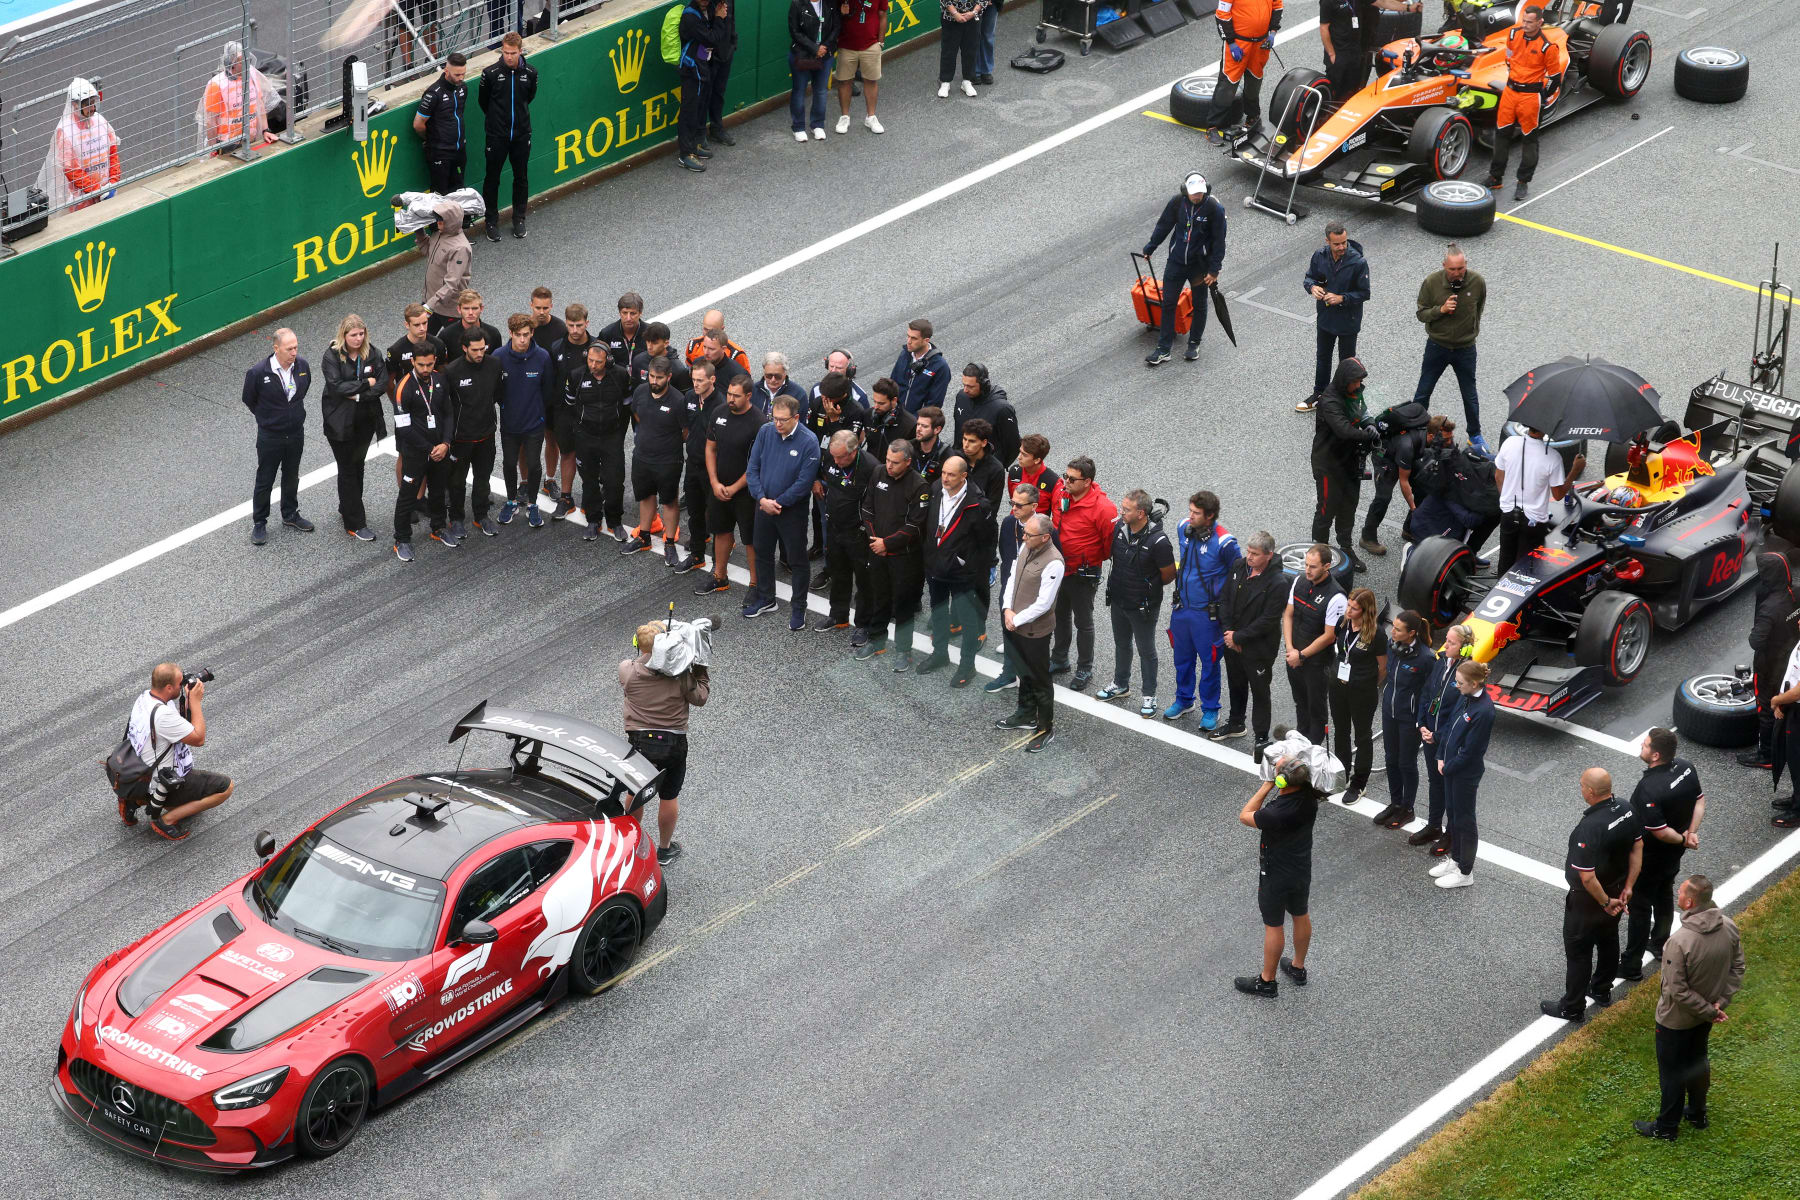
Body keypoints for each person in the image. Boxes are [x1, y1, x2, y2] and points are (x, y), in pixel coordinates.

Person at [1633, 875, 1743, 1142]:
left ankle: (1667, 1127)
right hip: (1705, 1017)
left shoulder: (1679, 942)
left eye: (1680, 892)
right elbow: (1737, 967)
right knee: (1697, 1061)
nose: (1677, 895)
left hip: (1676, 1020)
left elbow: (1676, 990)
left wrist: (1709, 1011)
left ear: (1690, 901)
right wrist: (1719, 1004)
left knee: (1671, 1073)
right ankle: (1696, 1112)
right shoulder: (1729, 927)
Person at [1544, 767, 1644, 1018]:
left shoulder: (1589, 828)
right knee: (1608, 938)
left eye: (1581, 785)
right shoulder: (1626, 809)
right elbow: (1638, 847)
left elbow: (1587, 876)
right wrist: (1629, 887)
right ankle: (1601, 989)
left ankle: (1573, 1007)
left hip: (1590, 900)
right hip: (1618, 888)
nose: (1580, 789)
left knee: (1579, 952)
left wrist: (1604, 903)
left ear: (1590, 791)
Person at [621, 622, 711, 865]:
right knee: (668, 796)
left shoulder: (626, 670)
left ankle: (628, 843)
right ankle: (664, 849)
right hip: (673, 744)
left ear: (637, 645)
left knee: (634, 790)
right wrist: (700, 669)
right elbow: (700, 697)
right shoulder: (681, 676)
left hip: (639, 741)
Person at [1620, 729, 1706, 981]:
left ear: (1655, 755)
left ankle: (1631, 965)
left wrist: (1683, 838)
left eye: (1645, 745)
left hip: (1651, 857)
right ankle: (1660, 942)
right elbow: (1700, 801)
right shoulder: (1686, 767)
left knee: (1640, 907)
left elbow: (1659, 831)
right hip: (1673, 853)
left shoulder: (1648, 788)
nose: (1642, 748)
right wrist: (1690, 834)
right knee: (1664, 891)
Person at [1235, 755, 1321, 999]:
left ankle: (1267, 981)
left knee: (1274, 924)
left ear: (1282, 781)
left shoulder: (1275, 813)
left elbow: (1245, 815)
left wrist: (1266, 785)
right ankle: (1298, 967)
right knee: (1300, 914)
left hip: (1276, 874)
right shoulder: (1310, 797)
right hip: (1301, 869)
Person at [127, 663, 233, 841]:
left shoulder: (146, 698)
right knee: (226, 787)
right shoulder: (163, 716)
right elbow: (198, 738)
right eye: (179, 683)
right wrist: (195, 702)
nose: (182, 684)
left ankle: (137, 798)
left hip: (140, 771)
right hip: (164, 782)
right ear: (168, 687)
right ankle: (167, 820)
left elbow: (179, 724)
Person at [1096, 490, 1177, 717]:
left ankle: (1149, 695)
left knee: (1146, 650)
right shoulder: (1119, 530)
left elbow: (1169, 575)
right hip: (1119, 600)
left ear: (1141, 513)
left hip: (1143, 606)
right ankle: (1120, 684)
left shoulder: (1159, 541)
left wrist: (1146, 589)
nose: (1121, 512)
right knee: (1122, 644)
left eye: (1127, 509)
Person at [919, 455, 996, 686]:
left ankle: (967, 666)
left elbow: (987, 541)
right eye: (943, 473)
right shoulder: (935, 489)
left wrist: (965, 562)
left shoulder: (979, 504)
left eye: (951, 475)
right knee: (939, 613)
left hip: (963, 574)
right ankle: (939, 654)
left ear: (964, 476)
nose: (945, 478)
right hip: (935, 567)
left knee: (968, 620)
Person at [746, 395, 822, 628]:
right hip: (764, 507)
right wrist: (762, 498)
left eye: (782, 420)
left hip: (791, 513)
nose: (777, 424)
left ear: (796, 417)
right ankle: (767, 598)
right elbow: (752, 469)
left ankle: (799, 607)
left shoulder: (809, 442)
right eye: (774, 418)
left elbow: (804, 482)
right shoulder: (765, 432)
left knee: (798, 560)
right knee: (763, 553)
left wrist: (777, 503)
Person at [1166, 491, 1240, 726]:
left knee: (1209, 663)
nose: (1190, 517)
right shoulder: (1182, 527)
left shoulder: (1226, 542)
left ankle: (1211, 708)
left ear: (1210, 516)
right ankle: (1184, 699)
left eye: (1196, 513)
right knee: (1182, 659)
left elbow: (1237, 577)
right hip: (1181, 609)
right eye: (1190, 511)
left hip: (1206, 615)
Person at [1141, 173, 1227, 367]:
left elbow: (1219, 241)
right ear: (1185, 190)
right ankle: (1163, 349)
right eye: (1193, 193)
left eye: (1200, 193)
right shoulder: (1177, 203)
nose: (1197, 196)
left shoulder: (1214, 208)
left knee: (1199, 304)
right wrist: (1151, 247)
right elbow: (1164, 225)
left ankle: (1194, 343)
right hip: (1176, 263)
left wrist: (1214, 269)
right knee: (1168, 303)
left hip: (1199, 266)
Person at [1484, 5, 1567, 201]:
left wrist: (1543, 95)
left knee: (1529, 140)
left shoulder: (1548, 47)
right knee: (1501, 134)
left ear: (1540, 23)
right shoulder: (1514, 34)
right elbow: (1509, 58)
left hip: (1530, 97)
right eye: (1524, 21)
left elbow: (1555, 78)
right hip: (1510, 93)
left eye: (1530, 22)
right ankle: (1495, 177)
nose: (1525, 25)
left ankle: (1523, 182)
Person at [858, 441, 931, 665]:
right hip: (877, 550)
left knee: (903, 605)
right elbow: (867, 509)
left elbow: (915, 526)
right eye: (888, 460)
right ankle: (877, 640)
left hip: (904, 557)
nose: (889, 465)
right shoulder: (878, 472)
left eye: (895, 462)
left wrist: (886, 544)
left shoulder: (919, 486)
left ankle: (903, 650)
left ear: (908, 462)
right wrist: (875, 541)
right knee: (879, 597)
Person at [1412, 243, 1490, 451]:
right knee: (1423, 391)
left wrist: (1470, 333)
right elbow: (1421, 314)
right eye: (1452, 269)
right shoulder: (1431, 283)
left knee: (1470, 394)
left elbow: (1478, 308)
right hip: (1437, 346)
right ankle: (1414, 432)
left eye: (1461, 268)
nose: (1457, 273)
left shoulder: (1477, 282)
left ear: (1466, 265)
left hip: (1465, 349)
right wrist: (1441, 309)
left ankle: (1475, 435)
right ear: (1444, 266)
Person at [1049, 456, 1117, 693]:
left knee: (1084, 622)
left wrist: (1092, 560)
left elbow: (1109, 545)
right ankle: (1059, 659)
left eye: (1071, 478)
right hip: (1059, 568)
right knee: (1059, 614)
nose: (1065, 481)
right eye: (1065, 475)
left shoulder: (1103, 508)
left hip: (1083, 574)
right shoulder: (1061, 493)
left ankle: (1084, 667)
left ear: (1087, 481)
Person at [242, 328, 315, 547]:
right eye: (289, 348)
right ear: (276, 348)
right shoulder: (258, 372)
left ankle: (290, 514)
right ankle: (259, 522)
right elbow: (249, 399)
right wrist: (268, 418)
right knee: (265, 479)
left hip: (295, 433)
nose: (294, 352)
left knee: (292, 475)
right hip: (270, 436)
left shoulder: (302, 366)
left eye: (296, 347)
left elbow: (303, 390)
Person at [997, 515, 1064, 752]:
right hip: (1015, 622)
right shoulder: (1027, 546)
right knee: (1023, 672)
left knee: (1040, 679)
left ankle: (1046, 727)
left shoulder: (1054, 562)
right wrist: (1007, 609)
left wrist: (1016, 619)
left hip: (1034, 631)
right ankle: (1026, 714)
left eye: (1029, 534)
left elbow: (1044, 603)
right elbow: (1012, 579)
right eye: (1025, 532)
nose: (1023, 537)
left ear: (1045, 537)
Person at [320, 315, 389, 542]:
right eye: (353, 335)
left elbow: (381, 382)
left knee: (357, 466)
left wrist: (359, 394)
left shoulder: (373, 353)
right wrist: (365, 383)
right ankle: (355, 522)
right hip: (339, 423)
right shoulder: (331, 356)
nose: (358, 339)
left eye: (361, 334)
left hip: (365, 421)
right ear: (343, 335)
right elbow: (337, 386)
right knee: (348, 468)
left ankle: (347, 507)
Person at [699, 376, 769, 596]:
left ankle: (755, 584)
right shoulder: (719, 413)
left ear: (748, 396)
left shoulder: (759, 422)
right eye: (729, 394)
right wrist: (714, 482)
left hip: (746, 492)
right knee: (721, 531)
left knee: (750, 539)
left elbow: (757, 463)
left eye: (736, 396)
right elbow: (710, 448)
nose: (730, 399)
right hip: (719, 487)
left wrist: (735, 487)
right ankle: (719, 576)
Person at [1216, 530, 1285, 753]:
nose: (1249, 557)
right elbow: (1225, 599)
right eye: (1248, 551)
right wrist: (1229, 633)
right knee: (1236, 684)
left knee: (1260, 691)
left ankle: (1262, 737)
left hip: (1258, 649)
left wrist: (1239, 637)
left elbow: (1269, 620)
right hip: (1232, 641)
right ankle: (1236, 723)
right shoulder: (1239, 567)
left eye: (1255, 553)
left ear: (1269, 555)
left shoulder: (1278, 582)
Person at [1310, 356, 1380, 572]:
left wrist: (1371, 424)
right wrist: (1366, 435)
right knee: (1326, 508)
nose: (1359, 386)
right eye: (1355, 382)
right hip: (1328, 464)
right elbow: (1343, 430)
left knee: (1349, 506)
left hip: (1350, 461)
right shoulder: (1329, 401)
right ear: (1344, 380)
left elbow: (1363, 412)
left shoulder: (1355, 392)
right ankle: (1318, 553)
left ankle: (1345, 547)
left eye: (1360, 382)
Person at [1428, 659, 1493, 889]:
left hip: (1464, 774)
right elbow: (1449, 728)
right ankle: (1456, 860)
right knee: (1453, 816)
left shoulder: (1484, 711)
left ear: (1474, 683)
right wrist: (1439, 753)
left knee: (1465, 821)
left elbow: (1471, 751)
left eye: (1460, 683)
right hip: (1450, 767)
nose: (1457, 686)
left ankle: (1466, 871)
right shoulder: (1465, 697)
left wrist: (1447, 766)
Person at [623, 356, 692, 564]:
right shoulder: (641, 392)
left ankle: (669, 543)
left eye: (659, 378)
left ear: (669, 377)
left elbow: (686, 431)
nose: (654, 381)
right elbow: (637, 415)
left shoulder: (679, 400)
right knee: (646, 496)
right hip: (642, 456)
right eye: (652, 376)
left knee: (670, 502)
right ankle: (644, 536)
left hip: (668, 460)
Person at [1411, 621, 1472, 855]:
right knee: (1435, 783)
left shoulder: (1466, 674)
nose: (1445, 644)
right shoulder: (1441, 663)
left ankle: (1451, 833)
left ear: (1464, 648)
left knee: (1450, 788)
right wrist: (1422, 724)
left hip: (1448, 743)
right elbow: (1427, 693)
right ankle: (1434, 825)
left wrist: (1436, 736)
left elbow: (1459, 713)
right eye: (1446, 639)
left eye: (1451, 642)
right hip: (1430, 737)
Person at [813, 431, 879, 639]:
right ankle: (838, 615)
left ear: (854, 451)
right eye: (834, 457)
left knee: (864, 580)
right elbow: (825, 476)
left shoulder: (871, 468)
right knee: (838, 572)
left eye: (841, 457)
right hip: (834, 527)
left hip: (858, 532)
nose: (837, 461)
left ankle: (864, 623)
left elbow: (877, 503)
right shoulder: (830, 457)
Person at [391, 339, 453, 560]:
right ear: (413, 362)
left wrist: (445, 443)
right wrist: (430, 449)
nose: (425, 369)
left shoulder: (440, 380)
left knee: (437, 491)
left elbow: (448, 413)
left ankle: (438, 527)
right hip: (416, 452)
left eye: (429, 364)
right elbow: (404, 429)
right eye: (421, 365)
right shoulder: (403, 388)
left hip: (439, 449)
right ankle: (402, 539)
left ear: (434, 361)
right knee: (408, 496)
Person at [1373, 610, 1435, 828]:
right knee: (1391, 759)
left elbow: (1430, 693)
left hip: (1409, 718)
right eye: (1394, 627)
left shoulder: (1426, 658)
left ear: (1411, 633)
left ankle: (1407, 808)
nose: (1393, 632)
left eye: (1398, 629)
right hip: (1389, 713)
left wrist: (1423, 721)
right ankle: (1395, 803)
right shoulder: (1393, 647)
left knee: (1406, 763)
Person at [1300, 221, 1370, 412]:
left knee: (1347, 363)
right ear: (1327, 241)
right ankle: (1319, 394)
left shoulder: (1358, 262)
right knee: (1323, 357)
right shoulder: (1319, 256)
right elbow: (1309, 278)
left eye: (1344, 243)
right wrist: (1312, 287)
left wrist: (1342, 298)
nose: (1341, 248)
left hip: (1349, 321)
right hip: (1325, 318)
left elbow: (1365, 293)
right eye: (1336, 244)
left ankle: (1348, 401)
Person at [567, 342, 634, 542]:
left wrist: (618, 433)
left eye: (598, 362)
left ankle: (615, 521)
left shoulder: (620, 375)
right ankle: (593, 520)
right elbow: (570, 404)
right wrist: (579, 430)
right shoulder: (577, 375)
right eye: (590, 361)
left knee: (615, 481)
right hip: (585, 436)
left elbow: (626, 407)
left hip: (611, 436)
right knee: (589, 480)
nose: (593, 365)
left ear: (608, 361)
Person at [1495, 424, 1584, 572]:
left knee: (1505, 561)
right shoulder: (1553, 457)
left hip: (1508, 513)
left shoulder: (1509, 442)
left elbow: (1498, 476)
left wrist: (1505, 499)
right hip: (1534, 521)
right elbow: (1558, 495)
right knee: (1526, 569)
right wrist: (1575, 470)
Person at [1743, 533, 1798, 768]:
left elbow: (1755, 641)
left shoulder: (1769, 608)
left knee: (1765, 706)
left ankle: (1766, 755)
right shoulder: (1795, 591)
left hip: (1769, 665)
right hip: (1791, 660)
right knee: (1786, 704)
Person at [442, 329, 504, 539]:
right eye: (475, 350)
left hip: (486, 435)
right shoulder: (452, 371)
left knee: (482, 479)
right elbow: (446, 406)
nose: (480, 353)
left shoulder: (494, 365)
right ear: (464, 348)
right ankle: (457, 519)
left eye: (483, 348)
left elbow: (497, 393)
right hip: (461, 439)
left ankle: (481, 515)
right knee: (457, 482)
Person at [1329, 587, 1388, 805]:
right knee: (1340, 731)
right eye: (1349, 606)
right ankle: (1342, 772)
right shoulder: (1343, 623)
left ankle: (1359, 782)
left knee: (1362, 736)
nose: (1349, 610)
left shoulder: (1376, 634)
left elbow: (1383, 667)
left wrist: (1368, 684)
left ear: (1365, 610)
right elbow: (1340, 649)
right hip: (1337, 686)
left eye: (1354, 608)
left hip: (1362, 691)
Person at [1282, 544, 1346, 743]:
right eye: (1307, 565)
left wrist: (1301, 655)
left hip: (1317, 664)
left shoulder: (1336, 596)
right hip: (1294, 656)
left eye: (1313, 566)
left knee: (1316, 710)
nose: (1308, 570)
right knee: (1300, 703)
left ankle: (1315, 750)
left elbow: (1329, 636)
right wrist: (1291, 649)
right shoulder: (1300, 580)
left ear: (1327, 566)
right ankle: (1300, 744)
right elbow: (1288, 614)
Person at [494, 313, 553, 529]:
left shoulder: (543, 357)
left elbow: (548, 391)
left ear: (532, 333)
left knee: (534, 464)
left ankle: (533, 504)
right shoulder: (498, 356)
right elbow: (496, 391)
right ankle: (511, 501)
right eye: (518, 335)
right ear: (510, 333)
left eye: (526, 335)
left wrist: (538, 413)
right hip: (509, 424)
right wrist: (506, 407)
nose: (522, 339)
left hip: (534, 424)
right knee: (509, 463)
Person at [985, 485, 1044, 694]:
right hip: (1009, 588)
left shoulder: (1044, 527)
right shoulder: (1009, 523)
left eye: (1019, 505)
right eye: (1012, 503)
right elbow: (1006, 554)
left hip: (1033, 593)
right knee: (1008, 630)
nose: (1014, 508)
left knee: (1032, 637)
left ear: (1034, 506)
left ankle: (1032, 680)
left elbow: (1054, 559)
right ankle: (1008, 673)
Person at [478, 33, 537, 240]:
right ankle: (491, 222)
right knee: (492, 178)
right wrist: (497, 122)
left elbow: (528, 97)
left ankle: (519, 219)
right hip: (497, 136)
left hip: (521, 135)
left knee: (521, 177)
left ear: (520, 51)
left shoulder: (530, 73)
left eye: (512, 53)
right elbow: (483, 102)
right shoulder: (490, 74)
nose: (508, 57)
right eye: (505, 52)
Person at [546, 304, 599, 517]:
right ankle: (566, 498)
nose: (575, 330)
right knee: (567, 453)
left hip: (590, 412)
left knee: (591, 456)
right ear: (566, 324)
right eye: (571, 325)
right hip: (563, 412)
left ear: (587, 323)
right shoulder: (557, 347)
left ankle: (591, 499)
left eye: (579, 325)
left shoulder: (597, 347)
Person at [38, 77, 120, 211]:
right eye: (88, 104)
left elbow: (113, 152)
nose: (93, 108)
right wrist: (97, 190)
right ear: (75, 104)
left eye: (94, 103)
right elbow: (71, 170)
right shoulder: (65, 131)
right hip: (81, 200)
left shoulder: (100, 121)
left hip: (107, 192)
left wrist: (113, 182)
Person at [1360, 398, 1429, 556]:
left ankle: (1409, 529)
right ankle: (1367, 537)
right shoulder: (1408, 444)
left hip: (1404, 453)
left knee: (1424, 484)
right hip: (1385, 455)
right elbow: (1404, 483)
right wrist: (1414, 509)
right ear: (1431, 434)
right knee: (1383, 497)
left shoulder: (1426, 433)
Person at [1205, 0, 1286, 133]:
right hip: (1238, 44)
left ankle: (1253, 116)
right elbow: (1222, 14)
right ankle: (1213, 126)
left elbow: (1277, 7)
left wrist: (1272, 33)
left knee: (1255, 81)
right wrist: (1231, 42)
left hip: (1261, 43)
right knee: (1228, 84)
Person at [678, 359, 722, 574]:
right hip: (693, 465)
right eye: (693, 380)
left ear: (712, 379)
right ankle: (697, 554)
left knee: (716, 515)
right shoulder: (689, 397)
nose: (696, 384)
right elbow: (685, 427)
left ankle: (719, 562)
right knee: (695, 513)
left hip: (713, 469)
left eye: (700, 381)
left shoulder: (721, 405)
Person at [199, 42, 277, 151]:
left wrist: (265, 130)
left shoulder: (252, 75)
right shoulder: (217, 84)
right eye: (242, 61)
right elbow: (211, 121)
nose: (246, 64)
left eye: (248, 60)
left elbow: (260, 104)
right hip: (227, 143)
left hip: (251, 137)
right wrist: (213, 148)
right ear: (232, 63)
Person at [418, 198, 474, 340]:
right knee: (421, 341)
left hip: (450, 309)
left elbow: (452, 283)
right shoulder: (438, 234)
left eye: (442, 220)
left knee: (457, 345)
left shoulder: (461, 247)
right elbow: (427, 251)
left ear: (452, 221)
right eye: (437, 219)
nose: (438, 223)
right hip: (431, 302)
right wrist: (418, 230)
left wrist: (429, 305)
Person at [414, 52, 470, 193]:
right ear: (446, 71)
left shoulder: (463, 88)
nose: (461, 78)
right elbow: (418, 124)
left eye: (463, 74)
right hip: (440, 153)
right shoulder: (433, 94)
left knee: (459, 192)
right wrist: (432, 139)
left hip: (459, 150)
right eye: (457, 75)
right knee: (440, 195)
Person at [673, 0, 718, 173]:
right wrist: (720, 19)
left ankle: (692, 146)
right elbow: (711, 38)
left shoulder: (707, 9)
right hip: (691, 70)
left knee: (698, 108)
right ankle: (685, 155)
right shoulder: (690, 17)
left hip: (701, 68)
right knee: (688, 110)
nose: (705, 0)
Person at [952, 363, 1021, 470]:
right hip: (961, 464)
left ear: (984, 384)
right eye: (964, 385)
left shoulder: (1002, 409)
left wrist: (996, 468)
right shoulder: (961, 397)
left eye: (970, 386)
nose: (965, 390)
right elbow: (958, 433)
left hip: (986, 470)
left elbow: (1013, 444)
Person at [788, 0, 839, 141]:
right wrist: (814, 48)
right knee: (799, 90)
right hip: (803, 54)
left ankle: (817, 125)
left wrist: (824, 48)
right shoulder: (797, 4)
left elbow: (836, 27)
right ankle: (798, 127)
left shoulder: (830, 3)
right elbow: (795, 31)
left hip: (825, 55)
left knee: (821, 90)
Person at [835, 0, 888, 133]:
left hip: (871, 44)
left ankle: (871, 117)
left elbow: (882, 15)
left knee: (871, 80)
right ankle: (844, 117)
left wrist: (880, 42)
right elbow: (832, 15)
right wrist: (841, 13)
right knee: (844, 81)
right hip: (846, 45)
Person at [891, 319, 951, 415]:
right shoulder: (904, 354)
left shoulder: (940, 367)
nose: (908, 341)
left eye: (914, 338)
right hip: (895, 416)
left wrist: (912, 423)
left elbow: (933, 405)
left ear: (926, 340)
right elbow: (892, 384)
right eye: (908, 336)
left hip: (917, 425)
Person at [706, 0, 740, 150]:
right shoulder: (704, 3)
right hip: (709, 57)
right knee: (703, 96)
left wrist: (733, 43)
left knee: (719, 93)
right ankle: (698, 135)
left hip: (726, 54)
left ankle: (716, 128)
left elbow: (731, 20)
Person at [937, 0, 987, 98]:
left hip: (973, 16)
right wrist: (955, 13)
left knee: (970, 50)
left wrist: (973, 12)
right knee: (949, 51)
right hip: (950, 17)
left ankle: (967, 81)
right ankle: (945, 82)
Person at [439, 290, 504, 363]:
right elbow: (442, 365)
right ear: (459, 309)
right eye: (466, 308)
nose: (470, 313)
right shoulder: (446, 335)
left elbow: (498, 362)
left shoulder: (493, 333)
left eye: (474, 308)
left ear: (481, 309)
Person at [959, 419, 1008, 512]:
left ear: (984, 442)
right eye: (964, 439)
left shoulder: (996, 469)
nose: (965, 445)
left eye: (972, 441)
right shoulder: (955, 458)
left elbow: (992, 507)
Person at [634, 322, 694, 392]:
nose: (649, 347)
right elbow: (635, 388)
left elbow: (684, 398)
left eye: (654, 343)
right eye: (647, 341)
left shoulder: (678, 370)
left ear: (666, 343)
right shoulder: (638, 361)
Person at [683, 309, 751, 372]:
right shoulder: (693, 346)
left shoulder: (736, 355)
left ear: (722, 329)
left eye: (712, 331)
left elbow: (745, 381)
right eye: (705, 329)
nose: (708, 334)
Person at [597, 293, 649, 373]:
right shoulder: (607, 334)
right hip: (616, 381)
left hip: (643, 381)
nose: (628, 318)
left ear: (640, 313)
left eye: (633, 313)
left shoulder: (650, 333)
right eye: (624, 313)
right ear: (619, 312)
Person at [1008, 434, 1057, 513]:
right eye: (1020, 452)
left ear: (1037, 460)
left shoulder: (1053, 482)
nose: (1019, 457)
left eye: (1024, 455)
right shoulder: (1014, 472)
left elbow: (1057, 515)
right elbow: (1013, 500)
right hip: (1015, 521)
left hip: (1038, 524)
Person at [753, 351, 810, 418]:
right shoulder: (752, 390)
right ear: (764, 372)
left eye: (777, 376)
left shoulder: (798, 394)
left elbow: (801, 424)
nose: (773, 380)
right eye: (769, 375)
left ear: (785, 373)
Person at [912, 406, 951, 481]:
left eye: (924, 426)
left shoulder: (947, 456)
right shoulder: (908, 447)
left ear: (937, 429)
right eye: (918, 424)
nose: (918, 429)